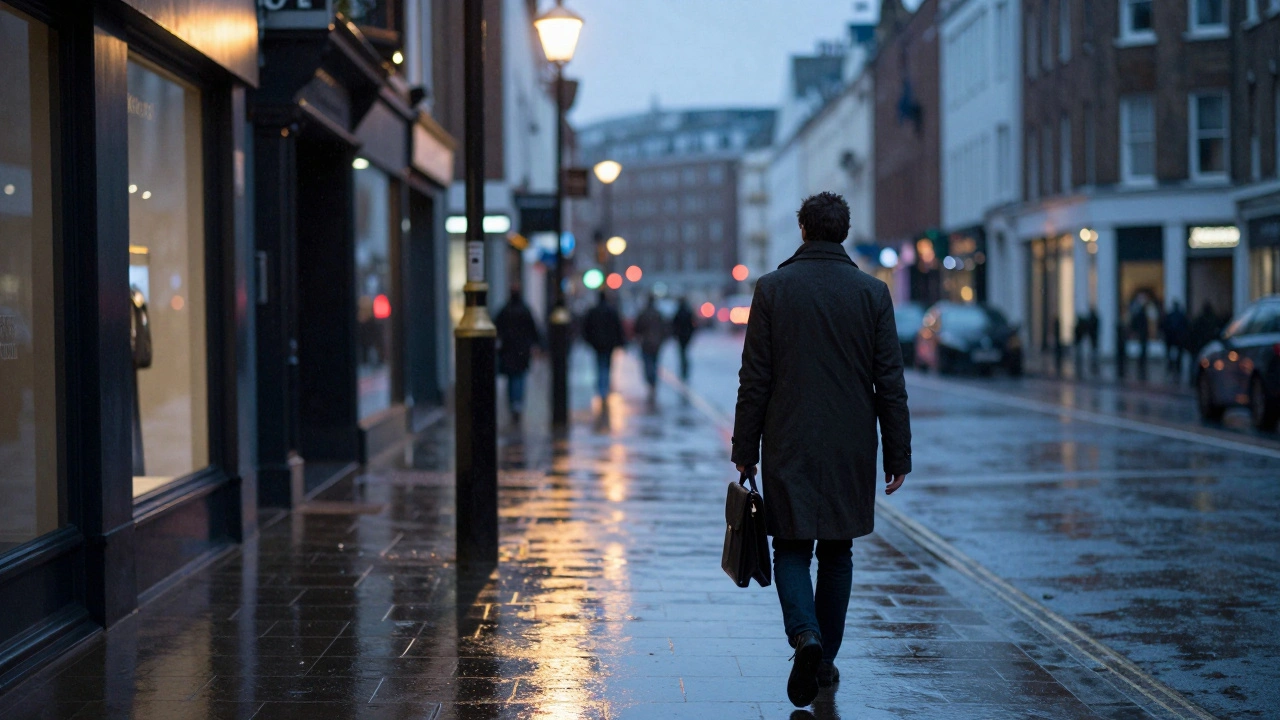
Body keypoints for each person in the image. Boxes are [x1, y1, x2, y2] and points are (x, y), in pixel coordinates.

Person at [732, 192, 911, 708]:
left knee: (790, 546)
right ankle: (825, 658)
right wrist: (897, 453)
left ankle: (804, 637)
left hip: (788, 440)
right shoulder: (873, 293)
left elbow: (755, 379)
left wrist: (746, 448)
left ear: (803, 230)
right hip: (852, 444)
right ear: (844, 233)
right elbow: (889, 382)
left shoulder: (771, 290)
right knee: (838, 551)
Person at [494, 286, 542, 423]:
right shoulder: (524, 310)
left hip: (509, 350)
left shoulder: (505, 311)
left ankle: (514, 404)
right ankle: (517, 403)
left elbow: (496, 327)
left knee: (512, 378)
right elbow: (534, 330)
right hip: (521, 351)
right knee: (519, 377)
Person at [581, 292, 625, 401]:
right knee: (606, 365)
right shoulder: (611, 311)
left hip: (598, 343)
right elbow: (617, 327)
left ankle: (602, 387)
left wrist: (589, 340)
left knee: (600, 364)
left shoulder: (593, 311)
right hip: (608, 343)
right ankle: (603, 387)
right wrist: (620, 342)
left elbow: (587, 327)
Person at [633, 294, 668, 400]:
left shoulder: (643, 314)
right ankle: (653, 382)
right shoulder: (658, 314)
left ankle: (650, 382)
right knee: (654, 363)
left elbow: (637, 328)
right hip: (656, 343)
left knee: (648, 363)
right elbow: (665, 329)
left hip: (646, 343)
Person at [1161, 301, 1188, 381]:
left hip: (1171, 338)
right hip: (1177, 338)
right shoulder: (1180, 315)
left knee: (1170, 353)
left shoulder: (1170, 315)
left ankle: (1171, 366)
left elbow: (1164, 326)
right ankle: (1176, 366)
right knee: (1178, 354)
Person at [671, 298, 698, 381]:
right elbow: (693, 324)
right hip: (686, 336)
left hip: (681, 336)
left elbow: (674, 324)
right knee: (685, 353)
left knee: (682, 354)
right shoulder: (688, 312)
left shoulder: (679, 312)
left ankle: (683, 369)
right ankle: (685, 369)